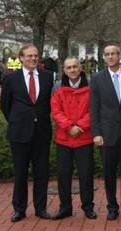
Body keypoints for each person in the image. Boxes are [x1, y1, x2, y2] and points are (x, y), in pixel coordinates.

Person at [0, 44, 54, 222]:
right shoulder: (11, 78)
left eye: (35, 56)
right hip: (19, 133)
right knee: (21, 172)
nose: (33, 58)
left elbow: (47, 104)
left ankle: (41, 208)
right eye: (29, 56)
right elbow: (5, 105)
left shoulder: (47, 77)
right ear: (21, 58)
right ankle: (19, 209)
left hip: (42, 133)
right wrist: (18, 121)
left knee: (41, 172)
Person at [90, 44, 121, 220]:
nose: (110, 57)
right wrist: (96, 132)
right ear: (104, 57)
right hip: (106, 135)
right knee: (109, 174)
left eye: (114, 54)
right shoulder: (97, 79)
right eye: (107, 54)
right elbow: (94, 108)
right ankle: (112, 207)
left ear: (120, 56)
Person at [50, 57, 96, 220]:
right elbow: (55, 111)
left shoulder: (91, 86)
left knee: (86, 174)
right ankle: (65, 208)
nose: (72, 70)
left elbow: (94, 110)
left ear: (81, 67)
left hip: (84, 137)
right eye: (69, 68)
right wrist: (70, 127)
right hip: (64, 138)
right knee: (63, 175)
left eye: (75, 67)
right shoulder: (58, 87)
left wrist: (80, 127)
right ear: (64, 70)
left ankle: (88, 207)